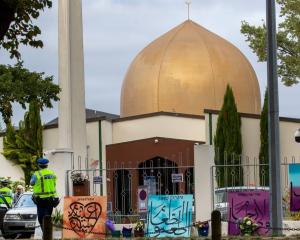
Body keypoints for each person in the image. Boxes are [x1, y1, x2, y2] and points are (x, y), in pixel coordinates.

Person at [30, 158, 59, 228]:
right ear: (47, 165)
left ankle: (45, 234)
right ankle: (48, 234)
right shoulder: (52, 173)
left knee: (41, 218)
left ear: (39, 165)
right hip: (52, 199)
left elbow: (32, 183)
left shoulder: (36, 174)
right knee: (48, 217)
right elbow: (54, 182)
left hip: (41, 199)